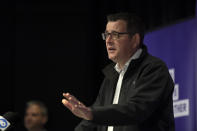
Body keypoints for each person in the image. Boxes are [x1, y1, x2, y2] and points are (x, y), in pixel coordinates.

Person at [62, 12, 175, 131]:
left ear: (135, 39)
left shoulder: (153, 69)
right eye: (106, 35)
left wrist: (91, 113)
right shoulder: (111, 76)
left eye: (115, 35)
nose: (108, 41)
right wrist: (89, 115)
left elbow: (135, 109)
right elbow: (91, 121)